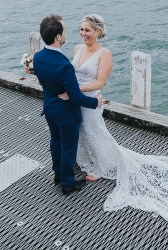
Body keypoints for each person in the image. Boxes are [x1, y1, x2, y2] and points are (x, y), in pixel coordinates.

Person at [59, 14, 168, 228]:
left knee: (95, 132)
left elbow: (99, 82)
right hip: (75, 100)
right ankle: (85, 159)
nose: (83, 34)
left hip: (90, 100)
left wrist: (73, 91)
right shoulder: (77, 49)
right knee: (81, 132)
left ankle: (100, 168)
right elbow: (70, 75)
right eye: (81, 30)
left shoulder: (105, 54)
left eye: (88, 30)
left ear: (98, 32)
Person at [32, 14, 103, 196]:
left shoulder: (38, 57)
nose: (66, 34)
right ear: (57, 37)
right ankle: (67, 184)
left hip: (49, 108)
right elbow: (76, 97)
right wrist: (95, 102)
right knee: (68, 148)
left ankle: (58, 176)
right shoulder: (64, 66)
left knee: (55, 142)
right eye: (64, 31)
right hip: (65, 113)